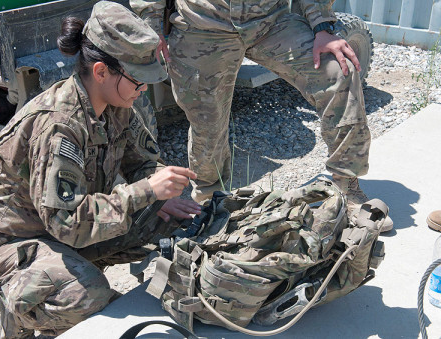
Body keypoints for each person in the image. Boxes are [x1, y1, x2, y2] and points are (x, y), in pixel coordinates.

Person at [0, 2, 201, 337]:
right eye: (137, 80)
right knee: (86, 298)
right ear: (101, 72)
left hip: (63, 227)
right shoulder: (59, 126)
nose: (144, 88)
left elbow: (141, 163)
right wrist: (147, 191)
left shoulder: (115, 103)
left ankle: (65, 272)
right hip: (11, 241)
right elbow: (68, 224)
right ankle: (23, 306)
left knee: (180, 223)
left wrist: (161, 198)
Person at [131, 0, 393, 232]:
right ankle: (211, 199)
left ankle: (347, 186)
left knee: (337, 71)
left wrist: (322, 26)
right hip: (203, 26)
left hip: (270, 22)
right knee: (207, 120)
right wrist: (150, 26)